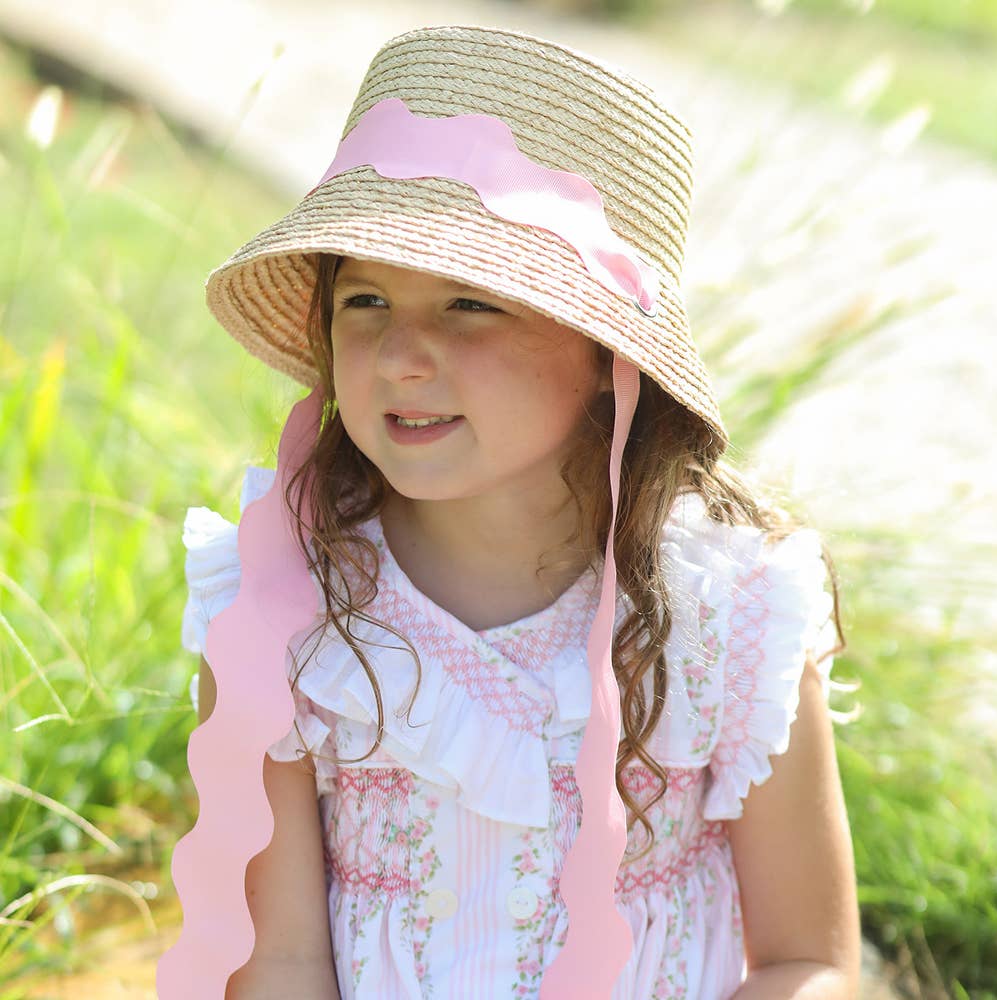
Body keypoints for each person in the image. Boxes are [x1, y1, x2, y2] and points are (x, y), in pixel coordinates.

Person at [157, 23, 861, 1000]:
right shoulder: (284, 602)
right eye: (364, 299)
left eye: (470, 303)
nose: (401, 353)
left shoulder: (731, 614)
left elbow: (808, 959)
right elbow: (278, 961)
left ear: (608, 360)